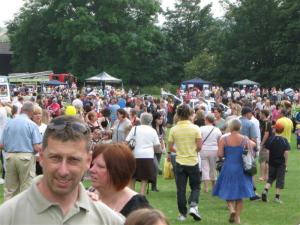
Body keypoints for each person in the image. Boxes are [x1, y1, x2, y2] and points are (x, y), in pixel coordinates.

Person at [0, 115, 125, 225]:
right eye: (55, 158)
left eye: (73, 160)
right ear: (42, 157)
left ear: (88, 161)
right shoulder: (7, 217)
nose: (63, 171)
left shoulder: (109, 221)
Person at [89, 143, 151, 217]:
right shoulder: (85, 196)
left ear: (118, 171)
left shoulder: (138, 207)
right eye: (92, 165)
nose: (92, 170)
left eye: (101, 166)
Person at [213, 118, 255, 224]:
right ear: (240, 127)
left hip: (228, 167)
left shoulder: (224, 138)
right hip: (241, 168)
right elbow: (253, 146)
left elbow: (220, 154)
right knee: (240, 195)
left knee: (227, 190)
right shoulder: (245, 139)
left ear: (230, 126)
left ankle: (231, 209)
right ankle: (237, 218)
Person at [0, 101, 42, 200]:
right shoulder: (32, 124)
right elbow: (36, 147)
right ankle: (24, 213)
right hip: (26, 157)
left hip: (9, 156)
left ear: (21, 110)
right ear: (31, 112)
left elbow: (1, 145)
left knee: (10, 189)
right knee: (26, 188)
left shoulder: (8, 124)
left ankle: (7, 213)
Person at [168, 104, 202, 221]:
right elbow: (199, 147)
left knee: (180, 189)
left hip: (179, 161)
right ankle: (193, 205)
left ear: (178, 114)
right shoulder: (195, 128)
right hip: (192, 161)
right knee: (196, 187)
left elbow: (170, 147)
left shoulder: (173, 129)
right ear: (189, 114)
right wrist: (192, 151)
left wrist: (180, 151)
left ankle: (183, 214)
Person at [126, 112, 161, 195]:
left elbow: (126, 141)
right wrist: (157, 151)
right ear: (150, 121)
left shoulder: (134, 129)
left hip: (134, 155)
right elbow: (157, 146)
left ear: (141, 119)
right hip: (147, 156)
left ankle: (132, 194)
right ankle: (141, 194)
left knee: (132, 177)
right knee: (144, 178)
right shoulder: (152, 131)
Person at [261, 122, 290, 204]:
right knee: (280, 180)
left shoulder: (271, 139)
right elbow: (286, 153)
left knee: (271, 178)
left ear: (275, 130)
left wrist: (268, 161)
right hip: (281, 164)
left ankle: (265, 191)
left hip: (272, 163)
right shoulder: (285, 141)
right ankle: (277, 198)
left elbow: (267, 151)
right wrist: (286, 164)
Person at [199, 114, 222, 193]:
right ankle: (213, 186)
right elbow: (220, 141)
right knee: (213, 168)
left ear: (206, 120)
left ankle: (206, 187)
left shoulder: (201, 128)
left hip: (204, 149)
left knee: (205, 168)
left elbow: (199, 140)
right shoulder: (217, 130)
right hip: (214, 150)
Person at [32, 104, 48, 175]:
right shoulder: (30, 127)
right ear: (31, 115)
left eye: (39, 113)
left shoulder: (45, 127)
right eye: (35, 114)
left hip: (43, 157)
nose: (38, 115)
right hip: (32, 158)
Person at [259, 109, 272, 181]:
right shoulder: (266, 122)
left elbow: (266, 134)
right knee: (267, 161)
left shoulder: (266, 122)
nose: (260, 115)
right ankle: (266, 176)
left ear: (264, 114)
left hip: (265, 144)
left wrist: (261, 143)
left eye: (261, 113)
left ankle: (262, 176)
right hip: (268, 143)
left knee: (262, 160)